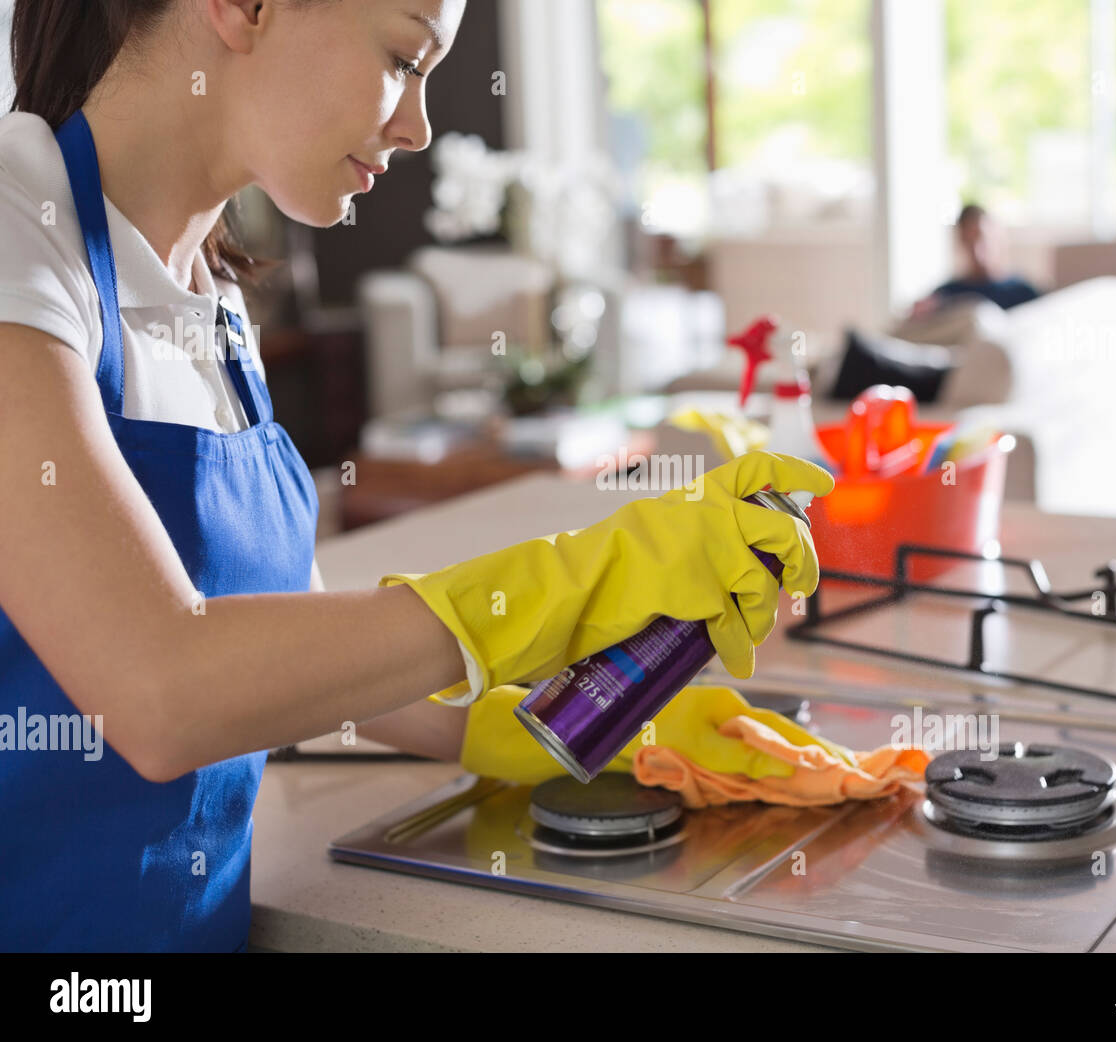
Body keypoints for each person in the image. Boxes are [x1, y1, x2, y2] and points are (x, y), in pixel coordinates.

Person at [0, 0, 832, 953]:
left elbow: (280, 648)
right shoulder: (17, 232)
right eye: (404, 57)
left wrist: (572, 722)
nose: (419, 126)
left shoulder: (209, 299)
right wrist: (574, 580)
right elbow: (161, 689)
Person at [913, 202, 1042, 315]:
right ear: (960, 242)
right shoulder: (945, 295)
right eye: (969, 241)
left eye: (981, 238)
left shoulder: (1023, 292)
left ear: (997, 237)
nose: (976, 250)